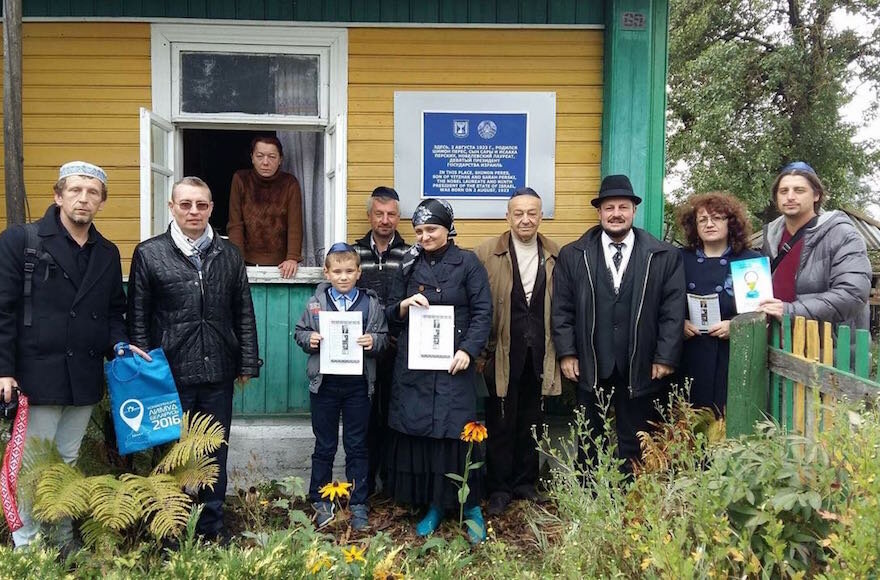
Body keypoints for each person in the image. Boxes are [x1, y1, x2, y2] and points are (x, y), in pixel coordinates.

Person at [0, 161, 147, 548]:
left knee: (65, 462)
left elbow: (115, 310)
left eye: (92, 192)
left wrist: (118, 343)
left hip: (82, 376)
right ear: (58, 195)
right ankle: (27, 544)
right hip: (35, 374)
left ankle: (60, 535)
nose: (84, 199)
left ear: (101, 201)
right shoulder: (21, 240)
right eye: (76, 190)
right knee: (33, 466)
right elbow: (3, 309)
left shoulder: (107, 252)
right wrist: (4, 371)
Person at [127, 176, 261, 542]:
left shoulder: (229, 254)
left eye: (201, 205)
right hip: (167, 373)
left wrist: (247, 362)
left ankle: (210, 529)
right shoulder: (149, 253)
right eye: (185, 204)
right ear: (171, 207)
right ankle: (170, 532)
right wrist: (141, 369)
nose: (194, 211)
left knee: (213, 453)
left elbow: (243, 311)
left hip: (218, 369)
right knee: (170, 452)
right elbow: (137, 315)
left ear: (211, 209)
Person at [552, 175, 685, 474]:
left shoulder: (662, 256)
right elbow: (562, 308)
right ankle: (588, 496)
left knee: (635, 438)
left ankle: (633, 500)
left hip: (640, 362)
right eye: (609, 207)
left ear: (634, 211)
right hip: (591, 362)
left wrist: (665, 356)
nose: (616, 213)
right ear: (599, 212)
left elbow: (672, 311)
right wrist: (567, 352)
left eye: (623, 207)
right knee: (589, 437)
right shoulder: (574, 255)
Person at [384, 198, 492, 543]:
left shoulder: (469, 263)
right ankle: (434, 505)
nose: (424, 236)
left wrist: (468, 349)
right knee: (426, 437)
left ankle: (470, 507)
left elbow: (483, 313)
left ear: (447, 229)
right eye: (418, 231)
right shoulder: (407, 264)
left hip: (453, 367)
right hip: (416, 367)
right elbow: (388, 311)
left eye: (431, 229)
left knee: (455, 436)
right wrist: (403, 304)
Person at [474, 187, 561, 516]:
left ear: (541, 216)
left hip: (539, 350)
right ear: (508, 216)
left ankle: (526, 483)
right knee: (500, 420)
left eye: (532, 213)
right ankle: (498, 487)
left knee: (532, 419)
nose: (525, 219)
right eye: (519, 213)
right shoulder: (486, 253)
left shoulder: (554, 253)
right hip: (500, 351)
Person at [294, 243, 388, 531]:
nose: (343, 277)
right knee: (325, 444)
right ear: (327, 273)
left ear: (359, 273)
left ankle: (358, 501)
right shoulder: (316, 304)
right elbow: (299, 332)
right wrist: (309, 339)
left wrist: (373, 342)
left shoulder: (371, 304)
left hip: (359, 385)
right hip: (324, 385)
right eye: (337, 271)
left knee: (357, 445)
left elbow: (383, 337)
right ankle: (321, 498)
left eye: (349, 271)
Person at [757, 162, 871, 338]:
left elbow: (852, 294)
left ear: (816, 195)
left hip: (827, 349)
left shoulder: (842, 234)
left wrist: (790, 311)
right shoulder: (771, 239)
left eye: (799, 190)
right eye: (783, 191)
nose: (790, 196)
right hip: (779, 343)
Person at [676, 192, 760, 415]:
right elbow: (662, 304)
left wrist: (736, 326)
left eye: (717, 218)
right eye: (702, 219)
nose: (709, 224)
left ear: (730, 223)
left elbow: (760, 313)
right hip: (688, 355)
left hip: (730, 356)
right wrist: (678, 324)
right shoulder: (678, 259)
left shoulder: (749, 261)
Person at [352, 186, 408, 494]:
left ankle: (393, 482)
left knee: (395, 415)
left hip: (398, 349)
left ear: (399, 217)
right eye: (379, 214)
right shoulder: (354, 253)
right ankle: (366, 481)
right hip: (362, 350)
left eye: (391, 214)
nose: (385, 220)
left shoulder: (411, 254)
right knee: (365, 417)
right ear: (369, 215)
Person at [227, 135, 304, 278]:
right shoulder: (240, 179)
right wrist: (237, 259)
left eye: (272, 157)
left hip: (282, 264)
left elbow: (295, 224)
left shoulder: (289, 183)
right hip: (247, 260)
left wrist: (292, 257)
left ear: (280, 159)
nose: (265, 162)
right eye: (260, 156)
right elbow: (235, 223)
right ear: (252, 158)